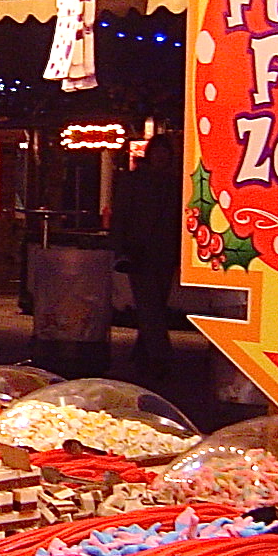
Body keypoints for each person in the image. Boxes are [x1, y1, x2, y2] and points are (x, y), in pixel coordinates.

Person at [110, 131, 182, 378]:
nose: (161, 158)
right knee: (151, 303)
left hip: (163, 250)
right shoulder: (136, 181)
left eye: (165, 154)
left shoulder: (172, 183)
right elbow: (121, 215)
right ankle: (159, 355)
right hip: (140, 250)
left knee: (154, 303)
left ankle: (145, 351)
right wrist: (121, 248)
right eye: (158, 153)